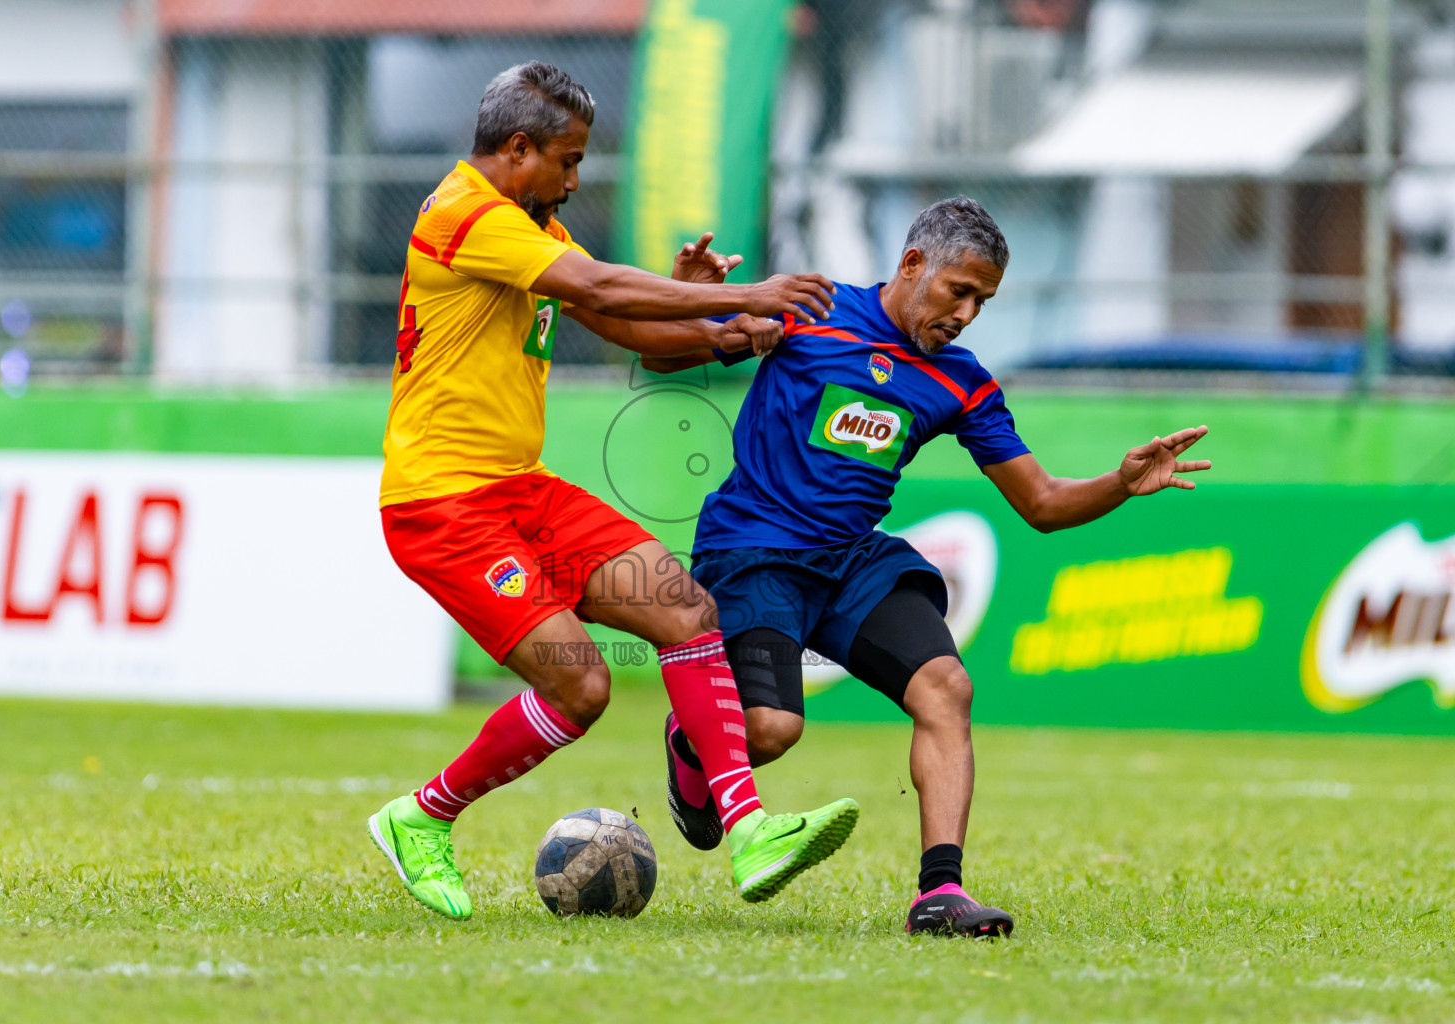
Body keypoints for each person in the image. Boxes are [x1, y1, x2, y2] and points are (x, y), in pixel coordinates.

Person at [368, 61, 861, 920]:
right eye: (567, 159)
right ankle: (421, 816)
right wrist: (752, 290)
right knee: (582, 687)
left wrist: (721, 328)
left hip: (519, 488)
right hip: (440, 505)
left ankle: (748, 834)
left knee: (683, 608)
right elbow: (598, 288)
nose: (574, 177)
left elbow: (623, 328)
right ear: (517, 149)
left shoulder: (530, 222)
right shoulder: (463, 214)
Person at [648, 197, 1212, 937]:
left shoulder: (964, 383)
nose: (969, 313)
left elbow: (1041, 503)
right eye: (960, 291)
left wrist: (1121, 482)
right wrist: (690, 295)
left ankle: (939, 894)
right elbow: (660, 357)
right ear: (913, 265)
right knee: (773, 730)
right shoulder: (808, 314)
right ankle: (691, 742)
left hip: (853, 560)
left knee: (947, 687)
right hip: (754, 549)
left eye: (984, 300)